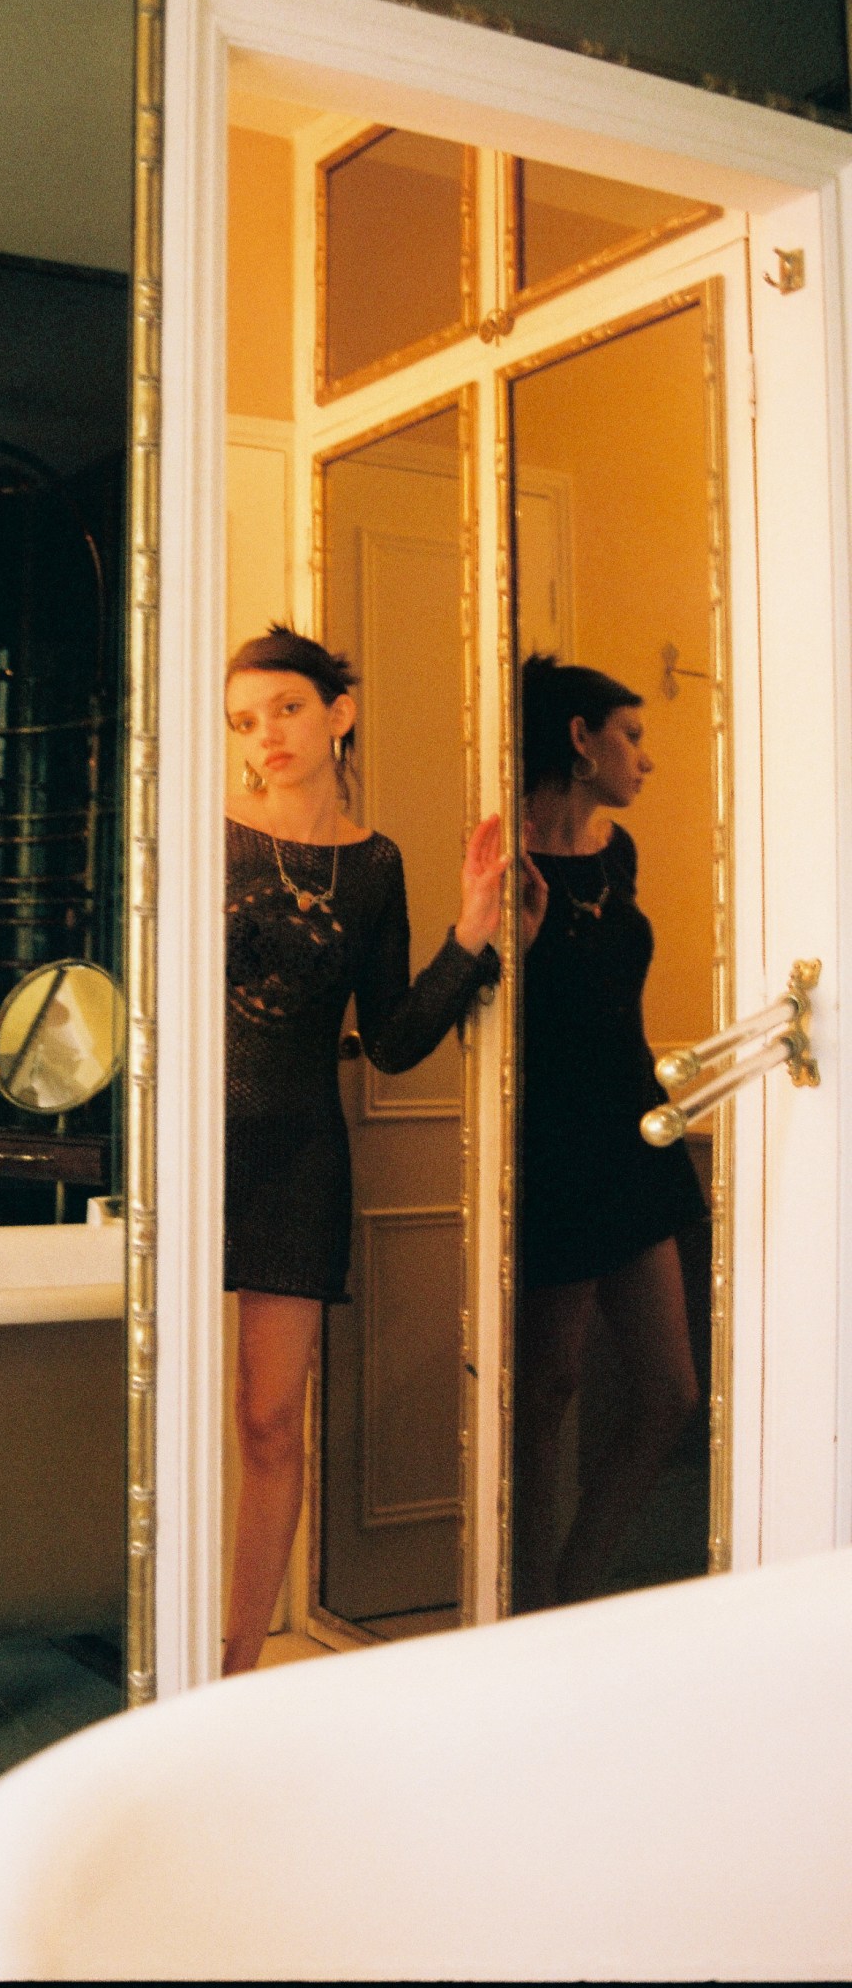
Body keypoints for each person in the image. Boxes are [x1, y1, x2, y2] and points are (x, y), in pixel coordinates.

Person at [222, 624, 513, 1675]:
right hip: (192, 1151)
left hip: (297, 1158)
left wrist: (469, 934)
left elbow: (389, 1041)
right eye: (246, 720)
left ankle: (232, 1670)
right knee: (141, 1407)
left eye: (287, 708)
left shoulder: (374, 863)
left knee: (268, 1422)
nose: (268, 735)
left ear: (336, 711)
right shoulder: (201, 833)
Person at [515, 654, 707, 1612]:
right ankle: (525, 1609)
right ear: (579, 739)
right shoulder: (504, 860)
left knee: (671, 1392)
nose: (645, 757)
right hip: (553, 1148)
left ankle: (575, 1582)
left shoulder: (617, 854)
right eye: (630, 734)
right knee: (544, 1395)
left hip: (636, 1137)